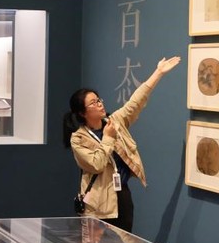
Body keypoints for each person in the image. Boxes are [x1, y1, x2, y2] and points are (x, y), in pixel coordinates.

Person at [63, 56, 181, 232]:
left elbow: (136, 102)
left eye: (99, 100)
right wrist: (108, 138)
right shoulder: (78, 139)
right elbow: (96, 165)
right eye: (93, 103)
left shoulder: (114, 121)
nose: (100, 104)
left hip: (122, 194)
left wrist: (158, 72)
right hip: (99, 202)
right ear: (82, 112)